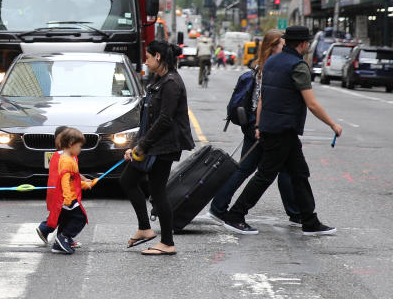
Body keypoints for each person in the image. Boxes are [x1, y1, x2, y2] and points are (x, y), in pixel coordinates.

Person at [221, 26, 343, 236]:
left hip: (273, 127)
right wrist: (333, 124)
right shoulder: (298, 66)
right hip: (283, 129)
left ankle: (309, 221)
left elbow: (262, 99)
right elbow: (311, 104)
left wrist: (259, 125)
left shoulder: (270, 63)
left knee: (299, 173)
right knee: (266, 175)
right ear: (303, 44)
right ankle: (235, 214)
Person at [210, 30, 300, 224]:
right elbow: (263, 101)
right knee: (266, 170)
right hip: (261, 125)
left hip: (257, 124)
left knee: (255, 168)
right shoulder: (270, 68)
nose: (285, 49)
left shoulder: (264, 65)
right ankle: (296, 213)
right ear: (273, 46)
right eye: (282, 45)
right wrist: (260, 125)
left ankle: (219, 206)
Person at [120, 40, 195, 256]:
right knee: (129, 181)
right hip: (153, 144)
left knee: (157, 190)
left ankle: (167, 242)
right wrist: (135, 145)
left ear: (158, 57)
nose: (146, 60)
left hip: (164, 146)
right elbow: (148, 119)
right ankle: (145, 228)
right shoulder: (160, 80)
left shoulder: (171, 83)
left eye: (148, 56)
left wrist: (142, 147)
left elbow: (164, 120)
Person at [49, 128, 94, 254]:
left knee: (66, 219)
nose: (80, 149)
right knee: (80, 218)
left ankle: (59, 244)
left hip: (67, 196)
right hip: (68, 197)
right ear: (70, 144)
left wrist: (85, 184)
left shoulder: (69, 158)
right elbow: (64, 179)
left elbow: (73, 179)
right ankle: (63, 237)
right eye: (79, 146)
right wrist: (68, 197)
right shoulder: (66, 161)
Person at [35, 125, 69, 244]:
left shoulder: (56, 156)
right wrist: (85, 180)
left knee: (61, 214)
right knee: (66, 214)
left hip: (54, 190)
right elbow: (72, 174)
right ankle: (48, 229)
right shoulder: (66, 157)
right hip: (61, 191)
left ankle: (52, 232)